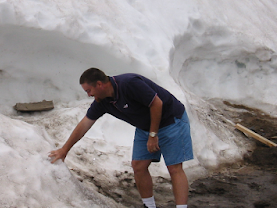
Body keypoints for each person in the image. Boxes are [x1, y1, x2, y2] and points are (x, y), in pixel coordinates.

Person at [49, 68, 193, 208]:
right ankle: (149, 206)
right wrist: (64, 150)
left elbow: (157, 103)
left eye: (89, 90)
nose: (88, 95)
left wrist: (153, 134)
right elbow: (85, 123)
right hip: (145, 127)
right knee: (138, 166)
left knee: (174, 168)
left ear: (99, 84)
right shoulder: (102, 101)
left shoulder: (129, 83)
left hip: (171, 120)